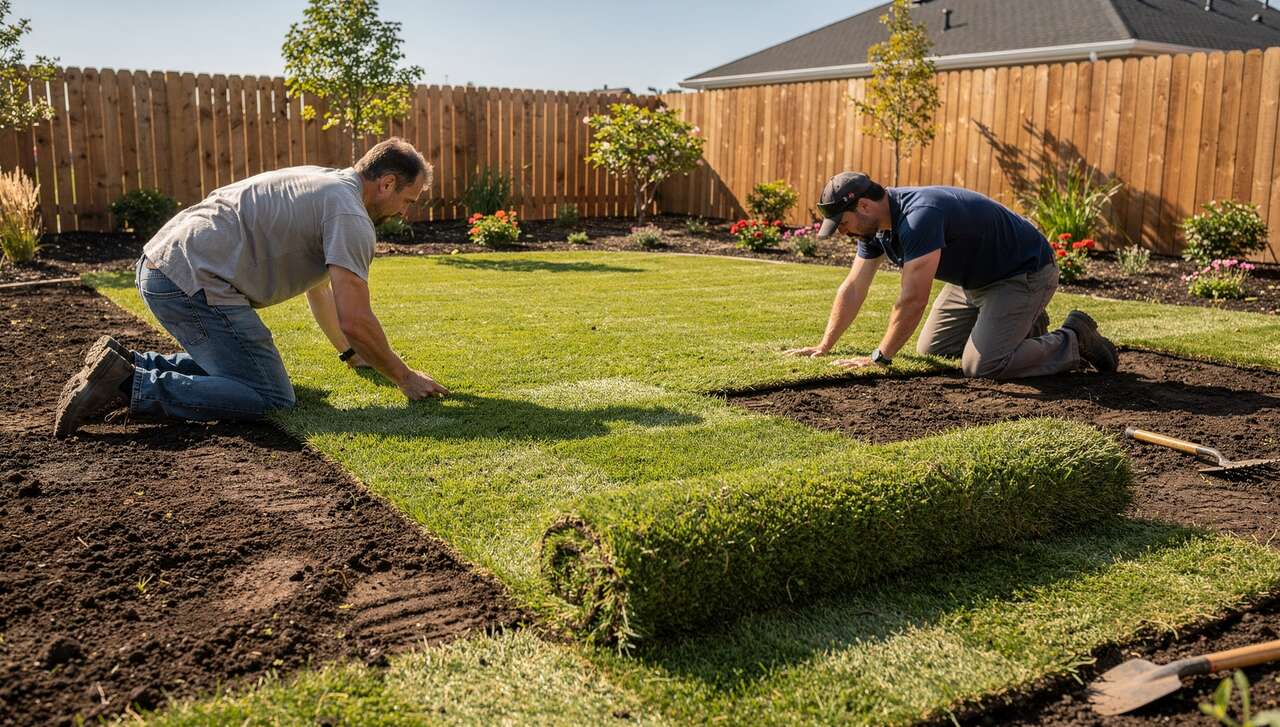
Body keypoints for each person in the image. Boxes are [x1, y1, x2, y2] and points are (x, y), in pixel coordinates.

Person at [54, 137, 447, 437]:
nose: (404, 212)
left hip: (163, 261)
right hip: (191, 280)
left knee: (251, 373)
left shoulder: (326, 182)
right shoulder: (349, 215)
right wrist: (404, 376)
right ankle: (130, 383)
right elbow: (356, 319)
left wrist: (349, 354)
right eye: (407, 201)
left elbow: (319, 289)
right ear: (387, 183)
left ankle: (129, 364)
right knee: (270, 394)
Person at [786, 172, 1119, 378]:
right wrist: (824, 345)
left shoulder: (919, 216)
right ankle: (1025, 324)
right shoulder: (875, 230)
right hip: (973, 281)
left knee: (983, 367)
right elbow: (854, 286)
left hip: (1023, 273)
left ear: (863, 207)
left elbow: (913, 300)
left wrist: (879, 358)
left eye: (842, 224)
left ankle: (1074, 339)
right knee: (933, 350)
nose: (843, 233)